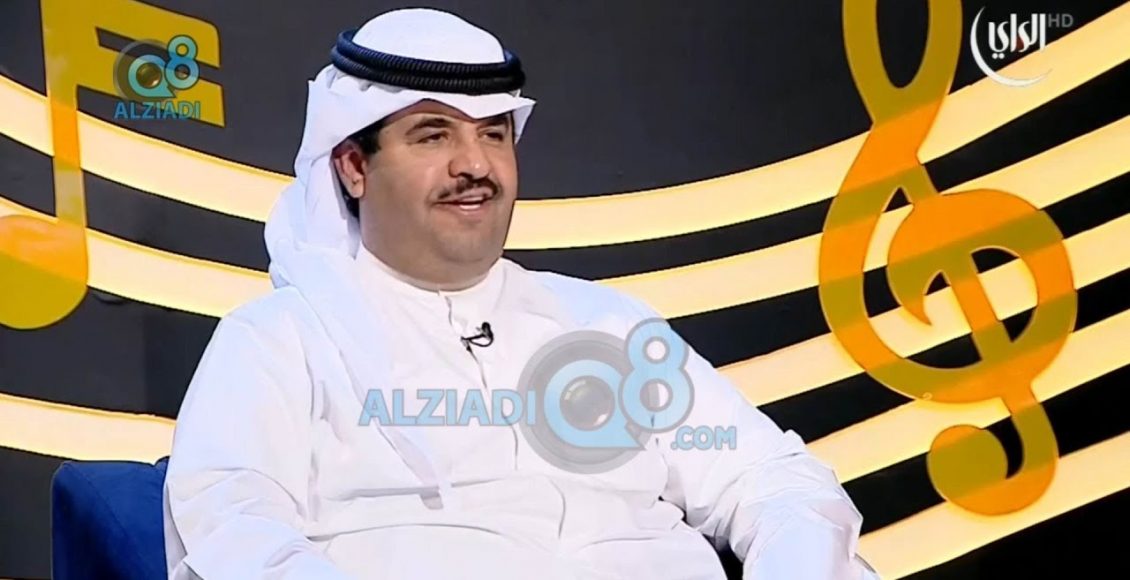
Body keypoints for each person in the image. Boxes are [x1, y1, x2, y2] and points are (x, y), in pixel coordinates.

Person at [163, 8, 879, 579]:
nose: (474, 165)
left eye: (493, 135)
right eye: (433, 136)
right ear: (353, 166)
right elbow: (233, 532)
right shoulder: (278, 340)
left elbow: (774, 481)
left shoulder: (607, 322)